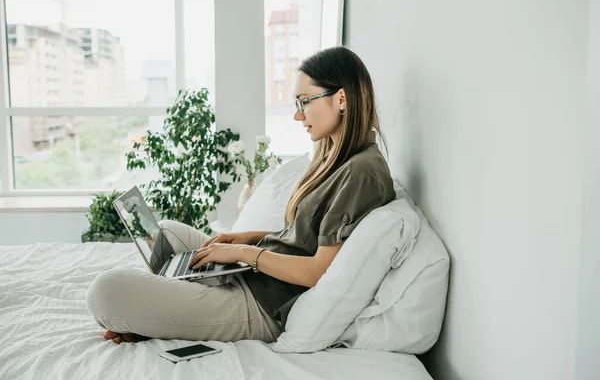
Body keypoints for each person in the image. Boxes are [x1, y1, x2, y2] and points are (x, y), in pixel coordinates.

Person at [86, 46, 396, 345]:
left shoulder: (362, 173)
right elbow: (301, 237)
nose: (298, 116)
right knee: (167, 232)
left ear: (341, 98)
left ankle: (159, 311)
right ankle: (161, 311)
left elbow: (320, 270)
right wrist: (246, 238)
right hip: (253, 271)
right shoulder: (333, 154)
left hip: (263, 302)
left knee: (106, 290)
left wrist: (244, 254)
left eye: (304, 102)